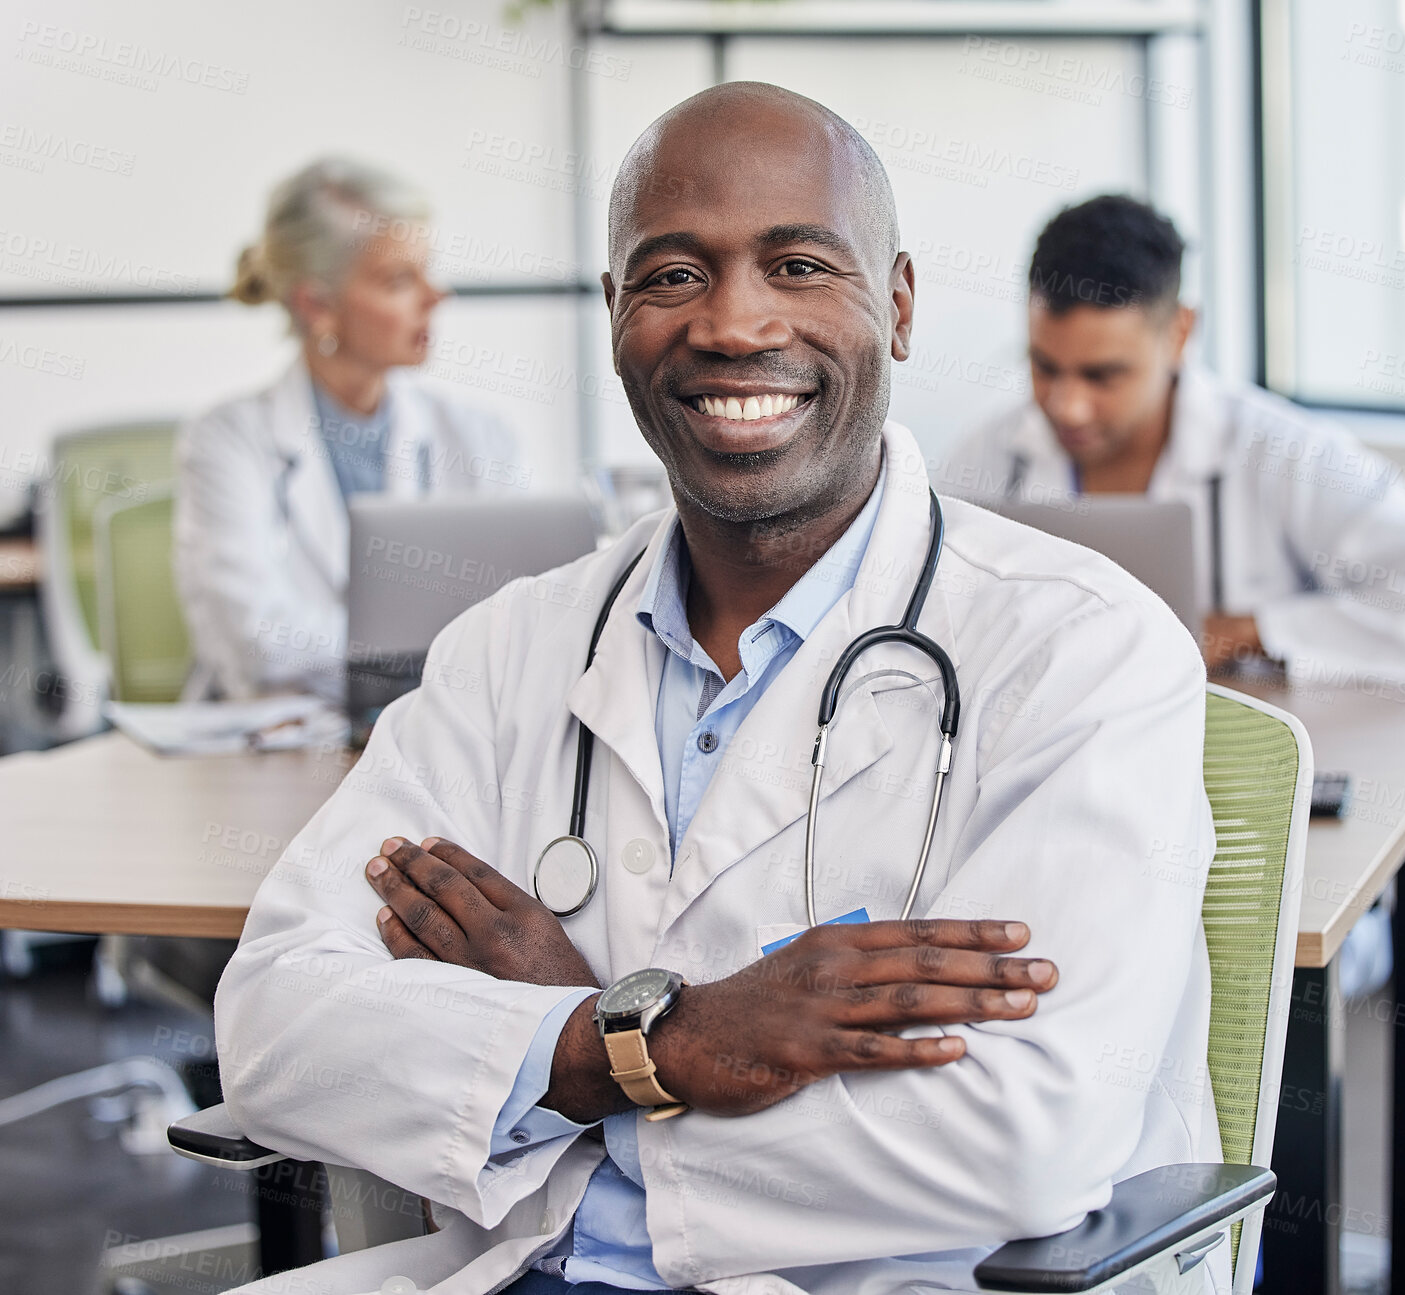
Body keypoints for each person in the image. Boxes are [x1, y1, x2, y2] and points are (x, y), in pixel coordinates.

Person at [215, 86, 1226, 1295]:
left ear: (895, 307)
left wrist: (557, 1053)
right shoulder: (509, 649)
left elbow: (1024, 1139)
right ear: (614, 316)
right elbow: (277, 1027)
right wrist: (649, 1039)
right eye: (673, 275)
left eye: (798, 265)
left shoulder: (1081, 649)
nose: (736, 325)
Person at [942, 194, 1405, 687]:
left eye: (1103, 376)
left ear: (1179, 333)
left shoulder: (1284, 452)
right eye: (1044, 366)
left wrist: (1251, 631)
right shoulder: (989, 457)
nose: (1066, 404)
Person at [175, 157, 527, 705]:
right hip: (268, 754)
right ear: (317, 305)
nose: (436, 296)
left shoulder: (478, 436)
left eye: (427, 270)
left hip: (435, 738)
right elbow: (258, 644)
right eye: (399, 280)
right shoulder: (227, 441)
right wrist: (440, 654)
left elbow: (523, 619)